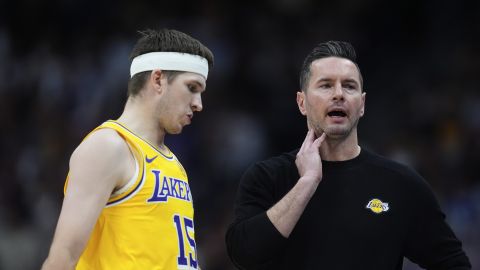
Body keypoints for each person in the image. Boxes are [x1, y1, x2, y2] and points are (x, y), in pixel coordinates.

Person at [225, 41, 471, 269]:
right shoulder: (267, 177)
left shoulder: (400, 184)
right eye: (326, 85)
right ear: (302, 102)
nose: (339, 94)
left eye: (349, 86)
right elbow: (244, 255)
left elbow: (454, 264)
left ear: (362, 104)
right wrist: (307, 183)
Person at [42, 29, 214, 270]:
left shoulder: (174, 164)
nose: (198, 104)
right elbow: (63, 257)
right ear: (158, 80)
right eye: (192, 87)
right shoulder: (109, 146)